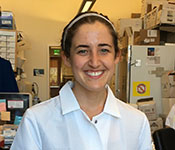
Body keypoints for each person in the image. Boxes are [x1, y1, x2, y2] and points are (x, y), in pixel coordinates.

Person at [11, 11, 152, 150]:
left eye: (104, 50)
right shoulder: (36, 120)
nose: (95, 62)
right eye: (83, 51)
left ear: (116, 56)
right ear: (67, 58)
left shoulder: (137, 122)